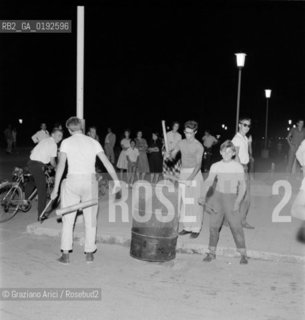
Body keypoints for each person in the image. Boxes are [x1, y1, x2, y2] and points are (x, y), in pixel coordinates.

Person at [50, 117, 120, 264]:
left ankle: (65, 254)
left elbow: (61, 166)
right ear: (81, 127)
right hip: (90, 182)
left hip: (73, 181)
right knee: (91, 219)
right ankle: (89, 253)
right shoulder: (93, 142)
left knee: (68, 220)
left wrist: (55, 189)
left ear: (69, 130)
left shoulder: (66, 142)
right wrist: (117, 181)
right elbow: (106, 162)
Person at [199, 140, 248, 264]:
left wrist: (237, 202)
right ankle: (211, 253)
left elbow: (242, 186)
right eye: (224, 151)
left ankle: (243, 254)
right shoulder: (215, 166)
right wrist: (202, 195)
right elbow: (209, 181)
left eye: (229, 151)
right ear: (220, 152)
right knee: (213, 227)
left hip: (231, 198)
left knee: (236, 227)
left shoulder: (238, 167)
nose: (226, 154)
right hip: (218, 197)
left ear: (233, 153)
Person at [168, 120, 204, 238]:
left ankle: (196, 228)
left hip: (195, 173)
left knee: (195, 202)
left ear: (195, 132)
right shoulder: (181, 142)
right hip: (183, 172)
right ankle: (188, 227)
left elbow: (199, 165)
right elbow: (174, 153)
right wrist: (170, 154)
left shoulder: (199, 146)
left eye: (190, 133)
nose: (188, 135)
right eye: (186, 132)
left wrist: (190, 178)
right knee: (186, 202)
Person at [26, 128, 63, 221]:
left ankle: (25, 202)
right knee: (42, 190)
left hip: (30, 163)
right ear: (53, 135)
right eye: (58, 135)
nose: (60, 138)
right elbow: (52, 161)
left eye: (61, 136)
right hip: (38, 166)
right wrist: (57, 167)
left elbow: (32, 151)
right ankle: (41, 215)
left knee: (32, 182)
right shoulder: (53, 144)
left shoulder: (44, 140)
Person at [232, 117, 254, 229]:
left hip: (245, 168)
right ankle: (239, 221)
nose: (247, 127)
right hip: (241, 169)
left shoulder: (244, 138)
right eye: (244, 125)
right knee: (244, 198)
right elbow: (235, 157)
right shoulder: (237, 139)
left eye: (248, 125)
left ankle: (238, 221)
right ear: (239, 125)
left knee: (243, 197)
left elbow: (248, 153)